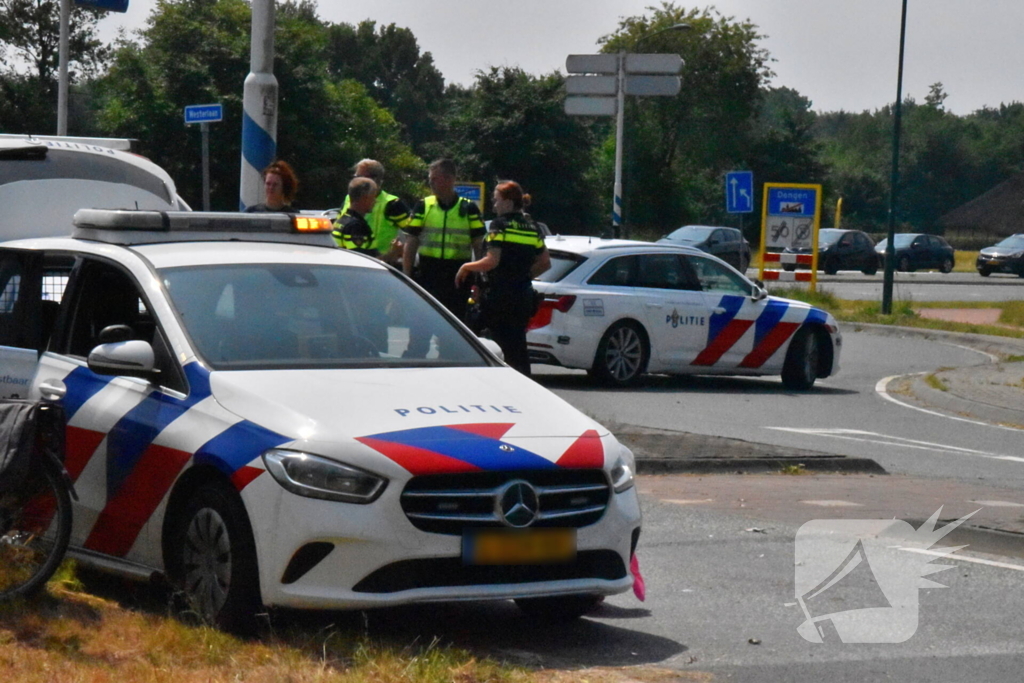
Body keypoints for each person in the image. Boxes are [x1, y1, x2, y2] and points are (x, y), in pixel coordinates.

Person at [456, 181, 550, 376]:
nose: (494, 205)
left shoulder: (500, 225)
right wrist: (523, 276)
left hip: (499, 296)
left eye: (496, 200)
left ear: (508, 202)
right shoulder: (532, 227)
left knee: (493, 346)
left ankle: (496, 384)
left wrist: (467, 266)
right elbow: (545, 263)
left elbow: (492, 260)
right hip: (523, 295)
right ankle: (524, 385)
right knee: (518, 345)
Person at [403, 158, 486, 323]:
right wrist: (407, 276)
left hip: (458, 277)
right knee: (421, 325)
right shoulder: (423, 206)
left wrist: (480, 280)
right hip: (428, 274)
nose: (430, 183)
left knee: (454, 326)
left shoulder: (468, 208)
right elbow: (411, 243)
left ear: (449, 179)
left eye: (434, 179)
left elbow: (479, 247)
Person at [338, 159, 409, 265]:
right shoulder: (349, 199)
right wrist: (393, 254)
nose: (355, 181)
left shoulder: (392, 204)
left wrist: (400, 252)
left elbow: (413, 234)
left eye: (359, 177)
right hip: (351, 264)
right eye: (355, 177)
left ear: (375, 179)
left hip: (381, 265)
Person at [332, 177, 379, 256]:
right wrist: (393, 253)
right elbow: (362, 260)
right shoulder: (355, 227)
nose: (375, 201)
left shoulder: (342, 220)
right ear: (365, 199)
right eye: (373, 197)